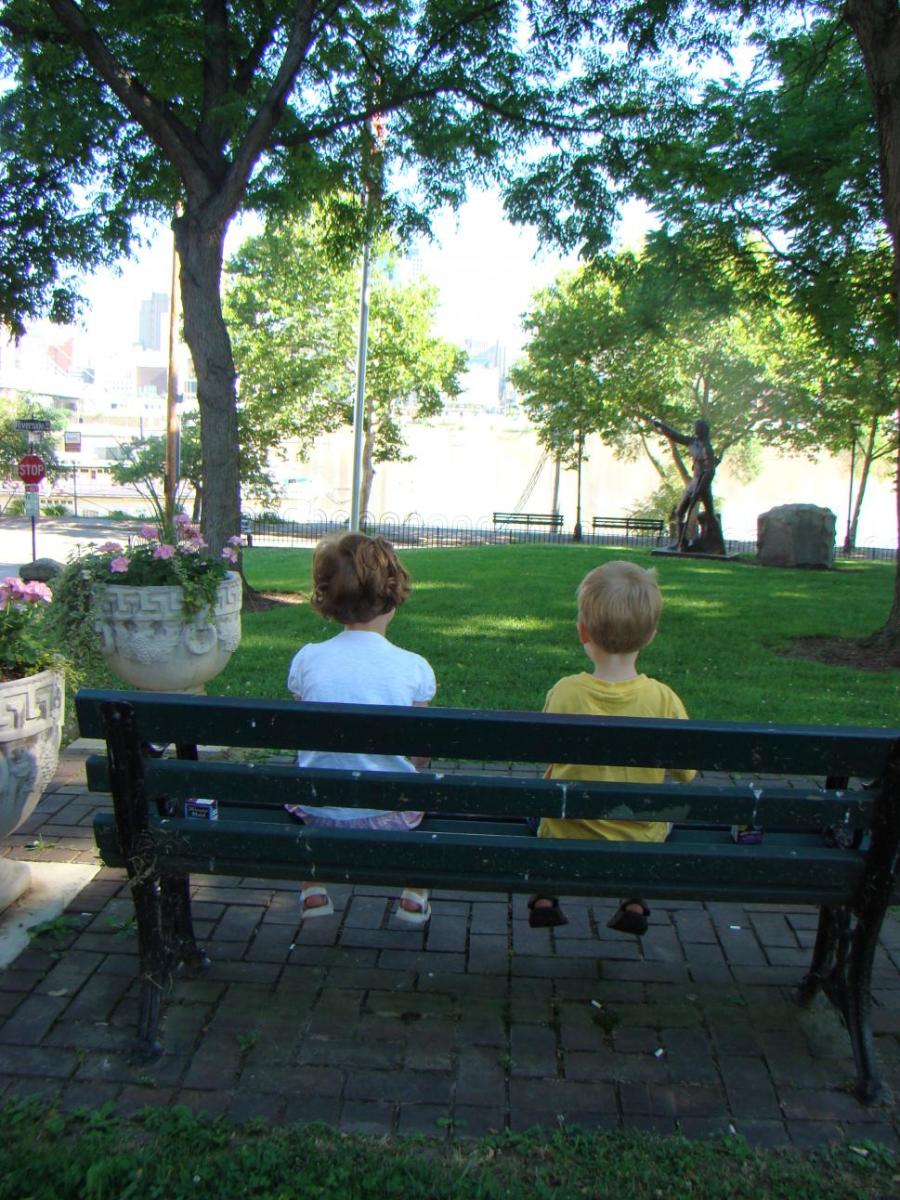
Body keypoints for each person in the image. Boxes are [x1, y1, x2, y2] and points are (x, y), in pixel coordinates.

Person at [529, 560, 696, 934]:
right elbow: (687, 772)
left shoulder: (566, 691)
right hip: (638, 833)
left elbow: (543, 752)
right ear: (650, 635)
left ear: (582, 631)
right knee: (660, 820)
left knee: (540, 814)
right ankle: (634, 900)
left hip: (567, 827)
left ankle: (544, 895)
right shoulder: (663, 699)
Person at [285, 532, 435, 925]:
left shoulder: (307, 660)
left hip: (318, 808)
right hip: (391, 814)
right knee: (425, 791)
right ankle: (414, 892)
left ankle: (313, 890)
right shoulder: (414, 667)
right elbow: (419, 752)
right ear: (393, 597)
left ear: (328, 601)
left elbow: (304, 733)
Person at [649, 416, 720, 552]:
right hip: (694, 483)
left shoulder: (707, 448)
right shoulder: (692, 442)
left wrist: (700, 490)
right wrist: (661, 426)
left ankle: (715, 544)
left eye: (697, 427)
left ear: (703, 430)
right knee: (679, 512)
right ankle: (682, 543)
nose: (694, 429)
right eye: (695, 427)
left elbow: (710, 471)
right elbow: (675, 436)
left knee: (710, 516)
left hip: (703, 485)